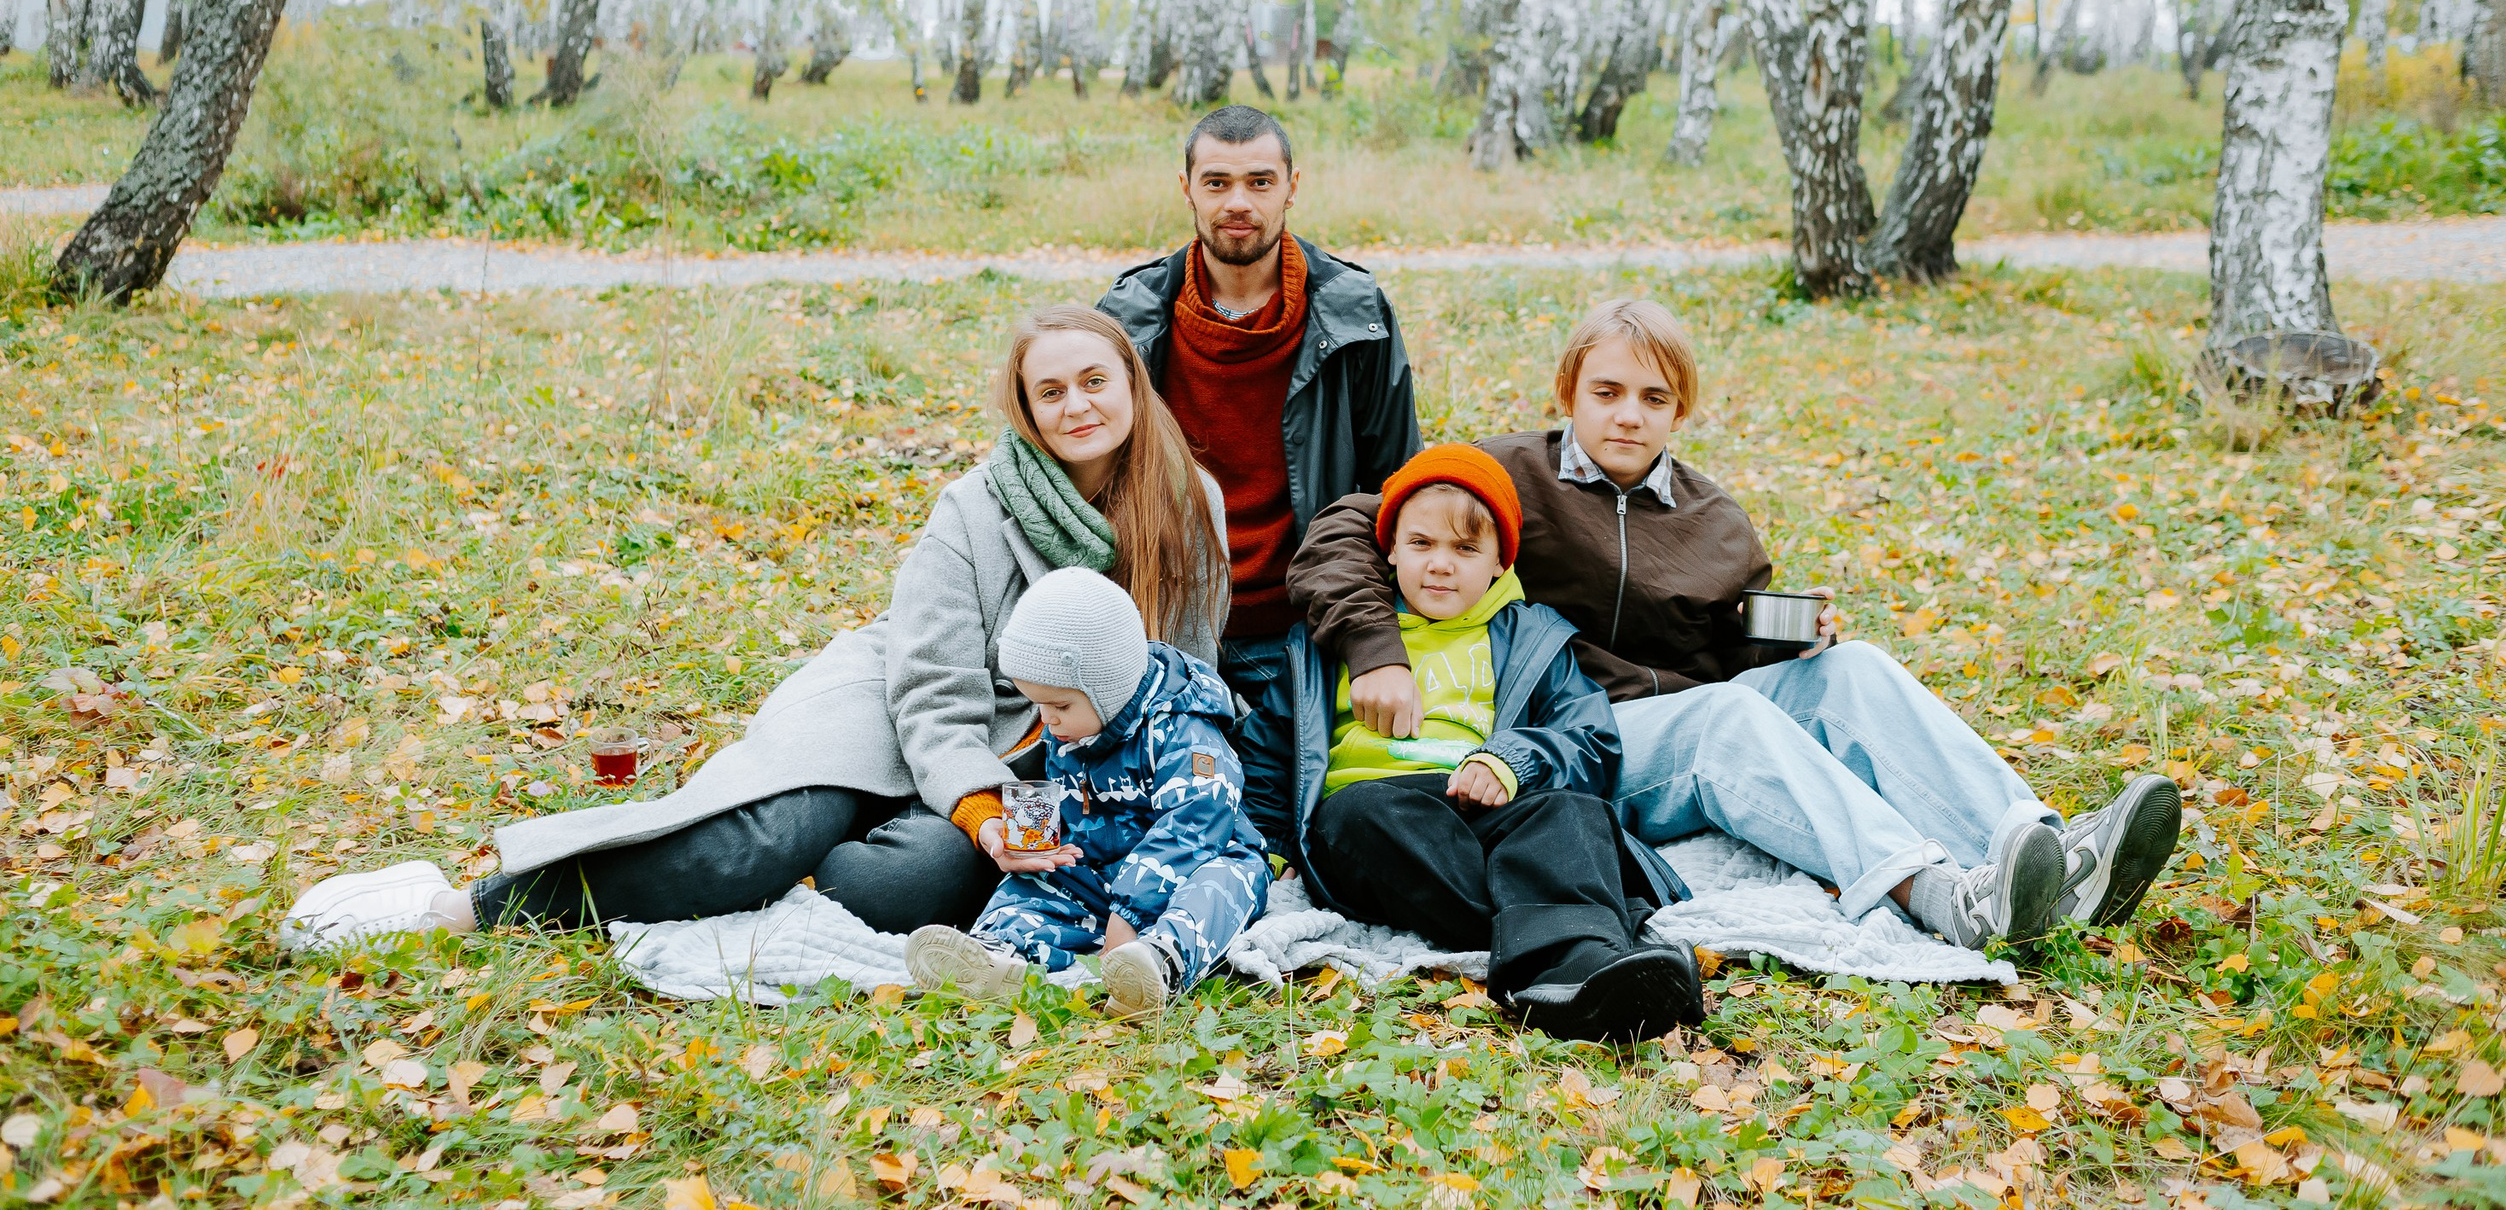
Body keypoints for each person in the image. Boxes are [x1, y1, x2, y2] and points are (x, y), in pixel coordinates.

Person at [281, 307, 1231, 952]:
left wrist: (1058, 815)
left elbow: (1176, 685)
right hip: (896, 710)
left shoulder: (1190, 510)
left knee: (902, 889)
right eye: (1050, 392)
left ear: (1133, 384)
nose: (1077, 407)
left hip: (1050, 761)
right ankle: (465, 905)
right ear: (1024, 410)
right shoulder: (974, 508)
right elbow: (932, 690)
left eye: (1093, 381)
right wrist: (976, 807)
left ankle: (848, 857)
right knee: (765, 838)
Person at [1288, 299, 2181, 952]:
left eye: (1652, 397)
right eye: (1606, 391)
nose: (1627, 414)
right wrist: (1376, 650)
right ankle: (1942, 893)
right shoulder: (1501, 471)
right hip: (1578, 733)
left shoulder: (1712, 514)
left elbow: (1731, 637)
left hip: (1694, 714)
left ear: (1682, 408)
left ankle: (2052, 848)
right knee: (1728, 717)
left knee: (1855, 668)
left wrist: (1790, 636)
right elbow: (1346, 530)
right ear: (1570, 391)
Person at [1240, 445, 1704, 1043]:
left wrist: (1511, 761)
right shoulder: (1332, 642)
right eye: (1421, 544)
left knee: (1572, 812)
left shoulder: (1530, 638)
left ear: (1498, 564)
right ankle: (1590, 941)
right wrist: (1269, 844)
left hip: (1488, 806)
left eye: (1464, 550)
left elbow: (1589, 739)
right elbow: (1271, 745)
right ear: (1389, 548)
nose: (1439, 565)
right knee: (1364, 813)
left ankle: (1580, 971)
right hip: (1377, 815)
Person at [1098, 104, 1423, 721]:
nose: (1237, 202)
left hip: (1306, 621)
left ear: (1291, 189)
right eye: (1217, 182)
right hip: (1163, 625)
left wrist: (1374, 636)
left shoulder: (1354, 312)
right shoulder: (1130, 316)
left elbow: (1395, 484)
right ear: (1187, 189)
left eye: (1260, 182)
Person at [903, 569, 1269, 1018]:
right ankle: (998, 951)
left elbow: (1195, 825)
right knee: (1039, 880)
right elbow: (1064, 793)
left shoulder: (1185, 731)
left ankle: (1159, 964)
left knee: (1225, 883)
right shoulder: (1073, 727)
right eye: (1038, 704)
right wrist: (1030, 839)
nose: (1048, 721)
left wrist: (1130, 913)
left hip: (1192, 863)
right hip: (1103, 865)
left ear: (1110, 689)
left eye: (1059, 706)